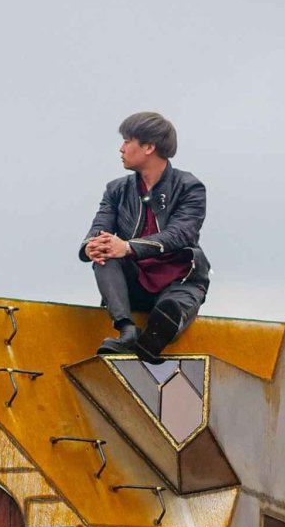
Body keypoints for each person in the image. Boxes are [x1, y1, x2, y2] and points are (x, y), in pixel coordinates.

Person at [79, 112, 211, 362]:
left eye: (127, 141)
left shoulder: (189, 187)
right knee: (104, 254)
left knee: (173, 308)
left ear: (149, 147)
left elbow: (181, 234)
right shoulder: (116, 189)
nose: (121, 149)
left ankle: (156, 336)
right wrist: (91, 246)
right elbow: (99, 226)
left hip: (179, 279)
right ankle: (126, 330)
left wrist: (128, 247)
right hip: (135, 280)